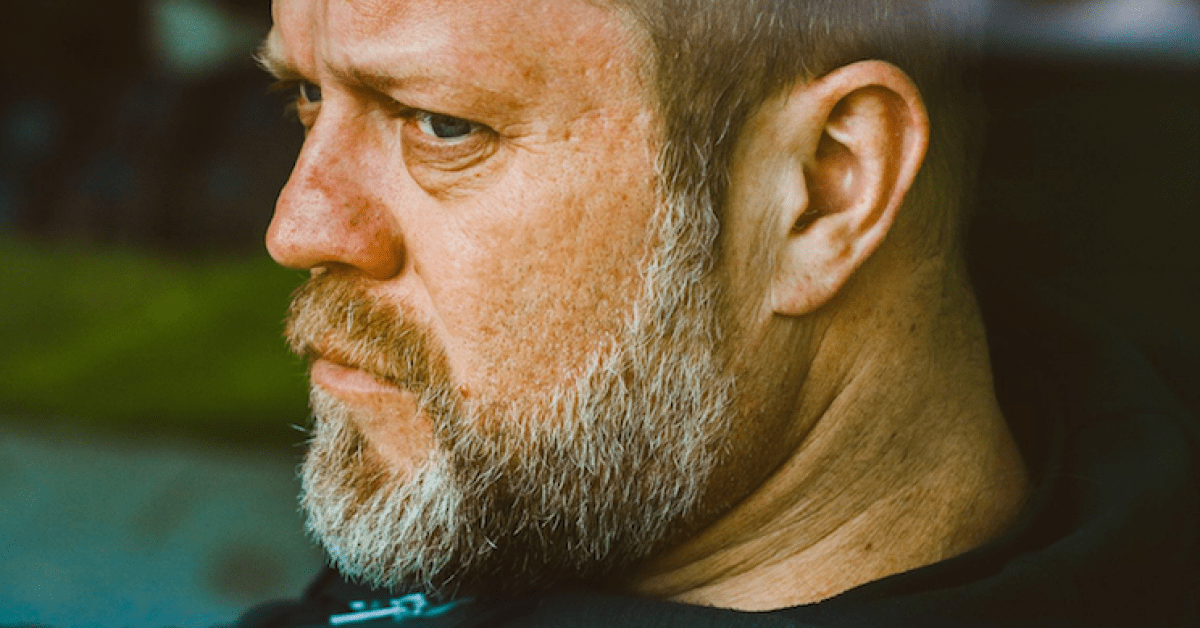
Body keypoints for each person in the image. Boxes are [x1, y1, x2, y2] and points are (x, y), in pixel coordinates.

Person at [238, 0, 1200, 626]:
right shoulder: (555, 485)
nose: (299, 227)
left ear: (823, 191)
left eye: (444, 125)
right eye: (308, 95)